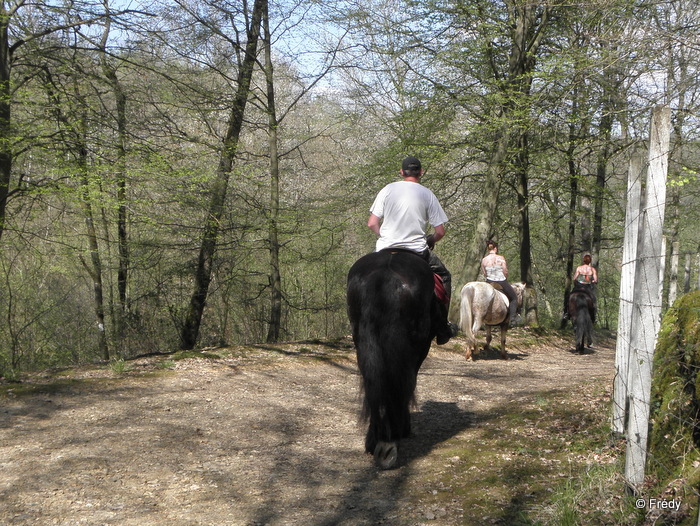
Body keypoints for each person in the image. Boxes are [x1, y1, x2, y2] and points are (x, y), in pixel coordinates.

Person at [367, 156, 457, 344]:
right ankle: (442, 327)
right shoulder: (427, 194)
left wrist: (384, 236)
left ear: (401, 172)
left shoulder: (388, 189)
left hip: (385, 248)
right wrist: (430, 239)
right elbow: (440, 231)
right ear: (421, 173)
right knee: (445, 275)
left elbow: (372, 223)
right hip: (416, 250)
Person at [480, 240, 520, 327]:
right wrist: (505, 278)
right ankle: (512, 319)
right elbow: (505, 270)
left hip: (489, 281)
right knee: (514, 298)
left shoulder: (484, 260)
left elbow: (484, 273)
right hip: (500, 280)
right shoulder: (500, 258)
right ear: (495, 248)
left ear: (488, 249)